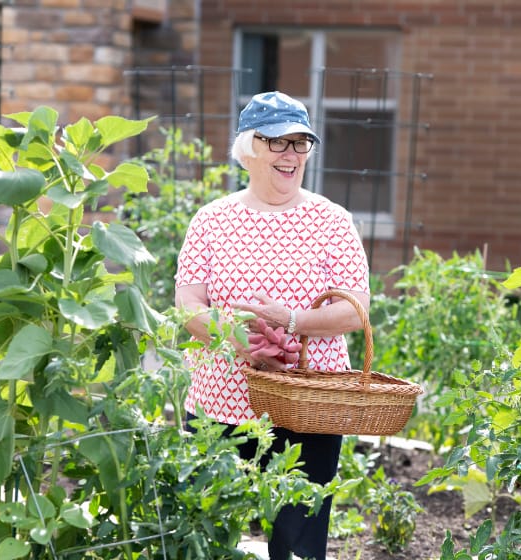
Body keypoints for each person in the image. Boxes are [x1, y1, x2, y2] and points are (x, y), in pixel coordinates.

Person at [174, 90, 370, 560]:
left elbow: (357, 309)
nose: (291, 154)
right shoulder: (212, 220)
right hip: (221, 403)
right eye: (277, 142)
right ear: (249, 148)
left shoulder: (332, 221)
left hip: (308, 406)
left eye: (300, 143)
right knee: (209, 534)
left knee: (298, 544)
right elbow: (187, 303)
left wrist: (294, 320)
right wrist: (238, 343)